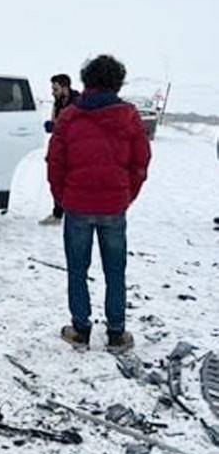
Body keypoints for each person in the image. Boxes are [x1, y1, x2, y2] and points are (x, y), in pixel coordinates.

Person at [46, 55, 151, 354]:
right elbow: (141, 162)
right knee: (115, 270)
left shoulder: (69, 116)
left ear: (86, 81)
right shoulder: (129, 115)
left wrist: (62, 198)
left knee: (77, 269)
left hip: (77, 206)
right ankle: (117, 333)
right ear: (118, 82)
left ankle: (80, 330)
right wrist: (126, 195)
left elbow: (55, 163)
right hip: (113, 207)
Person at [40, 74, 80, 225]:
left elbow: (76, 127)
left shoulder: (77, 103)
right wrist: (52, 125)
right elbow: (58, 123)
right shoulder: (57, 103)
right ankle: (57, 213)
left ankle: (71, 214)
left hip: (73, 149)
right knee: (56, 180)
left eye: (55, 88)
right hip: (58, 147)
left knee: (71, 182)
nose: (52, 92)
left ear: (65, 87)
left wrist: (56, 126)